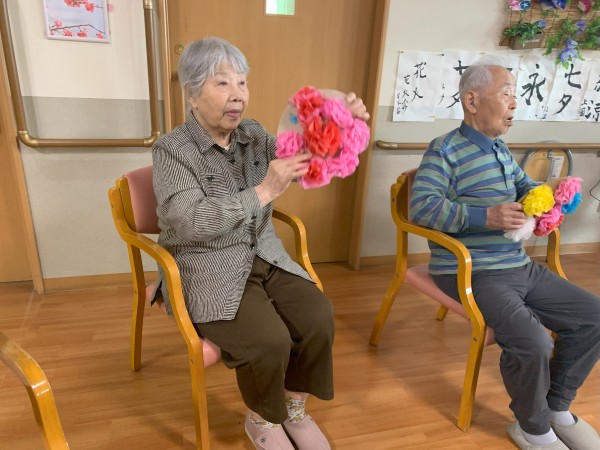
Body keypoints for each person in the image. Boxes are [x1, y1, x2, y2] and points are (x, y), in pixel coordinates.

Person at [151, 37, 369, 450]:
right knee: (269, 340)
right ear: (192, 94)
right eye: (222, 83)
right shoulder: (172, 151)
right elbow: (190, 221)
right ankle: (263, 418)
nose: (237, 94)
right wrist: (263, 191)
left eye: (242, 82)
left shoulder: (252, 134)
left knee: (318, 316)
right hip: (206, 263)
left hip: (263, 253)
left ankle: (294, 408)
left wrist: (340, 124)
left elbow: (304, 159)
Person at [409, 55, 600, 450]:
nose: (515, 103)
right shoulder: (444, 150)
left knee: (594, 317)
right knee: (534, 342)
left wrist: (547, 194)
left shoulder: (499, 149)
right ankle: (531, 427)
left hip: (518, 265)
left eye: (516, 94)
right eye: (507, 93)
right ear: (472, 100)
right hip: (473, 271)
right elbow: (422, 208)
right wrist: (486, 216)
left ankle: (555, 406)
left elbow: (524, 186)